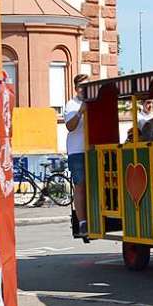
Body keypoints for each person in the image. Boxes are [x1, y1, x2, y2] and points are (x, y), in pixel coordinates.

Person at [63, 73, 89, 237]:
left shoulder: (93, 101)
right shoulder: (71, 104)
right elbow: (70, 127)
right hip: (77, 151)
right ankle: (82, 223)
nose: (84, 90)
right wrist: (80, 112)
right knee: (80, 185)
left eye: (87, 86)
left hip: (92, 149)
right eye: (81, 87)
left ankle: (94, 217)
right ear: (76, 88)